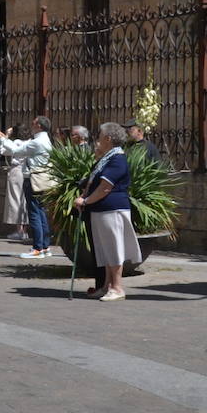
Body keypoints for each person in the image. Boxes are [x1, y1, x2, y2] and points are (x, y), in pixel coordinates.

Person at [74, 122, 143, 301]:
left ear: (108, 139)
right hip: (101, 210)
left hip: (112, 209)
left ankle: (117, 287)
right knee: (105, 250)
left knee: (113, 248)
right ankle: (106, 286)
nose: (97, 139)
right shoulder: (106, 157)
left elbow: (105, 187)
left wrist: (86, 200)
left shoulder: (117, 158)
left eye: (100, 136)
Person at [0, 116, 55, 259]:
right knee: (41, 212)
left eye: (34, 123)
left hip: (33, 180)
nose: (32, 125)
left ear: (39, 126)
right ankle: (45, 246)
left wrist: (2, 139)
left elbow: (17, 149)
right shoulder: (45, 140)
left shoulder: (38, 142)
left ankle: (38, 248)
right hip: (41, 180)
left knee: (34, 213)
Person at [0, 124, 30, 243]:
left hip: (17, 170)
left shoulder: (16, 143)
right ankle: (25, 230)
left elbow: (2, 150)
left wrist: (6, 136)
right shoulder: (31, 142)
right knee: (25, 200)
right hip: (28, 170)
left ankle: (19, 231)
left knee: (16, 200)